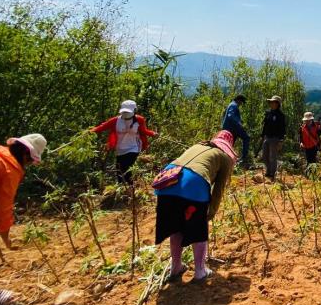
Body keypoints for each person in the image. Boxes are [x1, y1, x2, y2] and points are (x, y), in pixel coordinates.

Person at [154, 130, 235, 281]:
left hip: (166, 180)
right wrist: (210, 213)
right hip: (194, 183)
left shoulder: (198, 146)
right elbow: (218, 189)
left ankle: (175, 267)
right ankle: (200, 271)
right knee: (199, 229)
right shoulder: (224, 157)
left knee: (176, 227)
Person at [0, 135, 47, 305]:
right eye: (30, 161)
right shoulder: (9, 168)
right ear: (25, 156)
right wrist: (6, 240)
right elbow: (3, 209)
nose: (28, 165)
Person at [93, 100, 158, 184]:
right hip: (120, 149)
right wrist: (90, 132)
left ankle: (130, 186)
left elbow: (143, 131)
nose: (126, 114)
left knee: (128, 168)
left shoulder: (139, 120)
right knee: (120, 171)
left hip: (134, 147)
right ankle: (122, 187)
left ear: (134, 110)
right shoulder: (115, 120)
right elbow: (102, 126)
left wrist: (153, 133)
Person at [221, 94, 251, 169]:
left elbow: (226, 116)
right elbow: (230, 116)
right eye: (241, 102)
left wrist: (240, 121)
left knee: (229, 144)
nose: (241, 104)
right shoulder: (234, 105)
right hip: (233, 128)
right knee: (246, 138)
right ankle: (243, 158)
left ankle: (226, 159)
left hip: (228, 128)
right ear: (239, 100)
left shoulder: (231, 105)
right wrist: (239, 123)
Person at [261, 95, 286, 180]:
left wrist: (281, 140)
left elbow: (283, 129)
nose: (271, 104)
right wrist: (262, 136)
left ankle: (272, 173)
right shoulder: (268, 113)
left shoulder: (281, 115)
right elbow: (265, 126)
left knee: (273, 156)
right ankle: (268, 170)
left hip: (275, 138)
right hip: (267, 137)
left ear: (277, 104)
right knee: (264, 156)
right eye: (270, 102)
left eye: (273, 102)